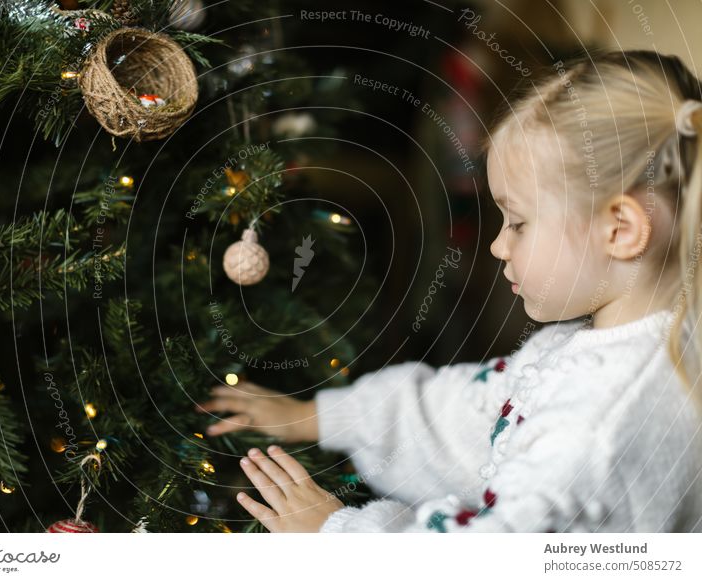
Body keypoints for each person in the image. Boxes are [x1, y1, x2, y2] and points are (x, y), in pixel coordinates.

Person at [195, 49, 702, 533]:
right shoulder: (606, 343)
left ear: (620, 229)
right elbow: (467, 414)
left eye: (520, 222)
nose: (499, 246)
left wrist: (338, 533)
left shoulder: (601, 425)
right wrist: (322, 416)